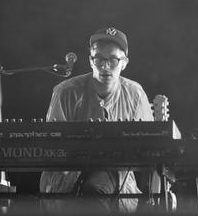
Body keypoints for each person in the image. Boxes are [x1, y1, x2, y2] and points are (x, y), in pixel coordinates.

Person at [39, 27, 154, 213]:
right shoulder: (66, 92)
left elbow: (151, 147)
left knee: (96, 188)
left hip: (117, 183)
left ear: (124, 63)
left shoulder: (135, 94)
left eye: (113, 60)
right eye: (99, 59)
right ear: (90, 60)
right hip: (67, 181)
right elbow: (52, 144)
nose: (105, 66)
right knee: (92, 190)